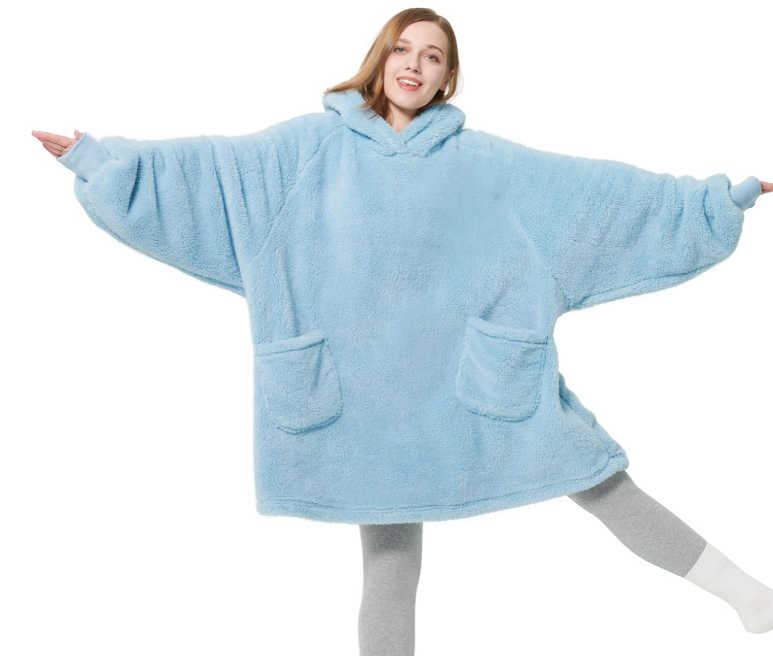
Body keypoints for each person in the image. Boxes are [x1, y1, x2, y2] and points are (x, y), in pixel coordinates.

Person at [33, 8, 771, 655]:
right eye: (402, 49)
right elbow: (207, 178)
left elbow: (602, 202)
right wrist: (103, 163)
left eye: (432, 56)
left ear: (448, 78)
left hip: (476, 388)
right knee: (388, 563)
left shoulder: (490, 164)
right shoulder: (302, 153)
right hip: (357, 399)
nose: (414, 65)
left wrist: (712, 204)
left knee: (600, 480)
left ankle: (750, 597)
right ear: (379, 58)